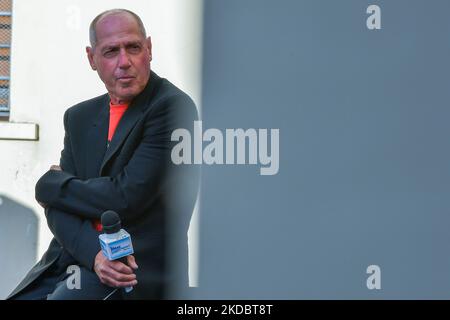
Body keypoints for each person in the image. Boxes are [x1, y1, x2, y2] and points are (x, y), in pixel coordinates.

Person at [7, 8, 199, 300]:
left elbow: (124, 197)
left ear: (149, 49)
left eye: (133, 47)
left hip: (132, 270)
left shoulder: (172, 108)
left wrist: (49, 185)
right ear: (92, 58)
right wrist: (94, 253)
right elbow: (59, 210)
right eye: (111, 51)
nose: (124, 62)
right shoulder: (79, 117)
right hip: (74, 258)